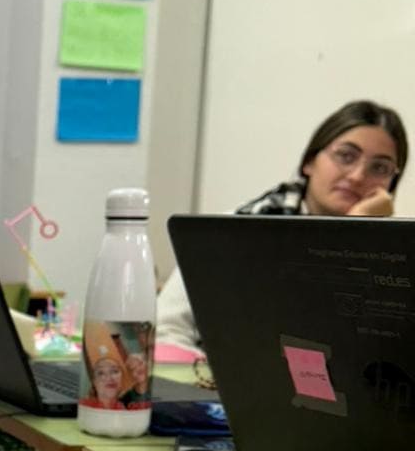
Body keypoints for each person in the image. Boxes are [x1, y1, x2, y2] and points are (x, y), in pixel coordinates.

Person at [156, 100, 409, 353]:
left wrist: (356, 234)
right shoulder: (234, 231)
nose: (357, 175)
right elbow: (167, 330)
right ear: (309, 161)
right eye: (346, 156)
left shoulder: (396, 258)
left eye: (380, 167)